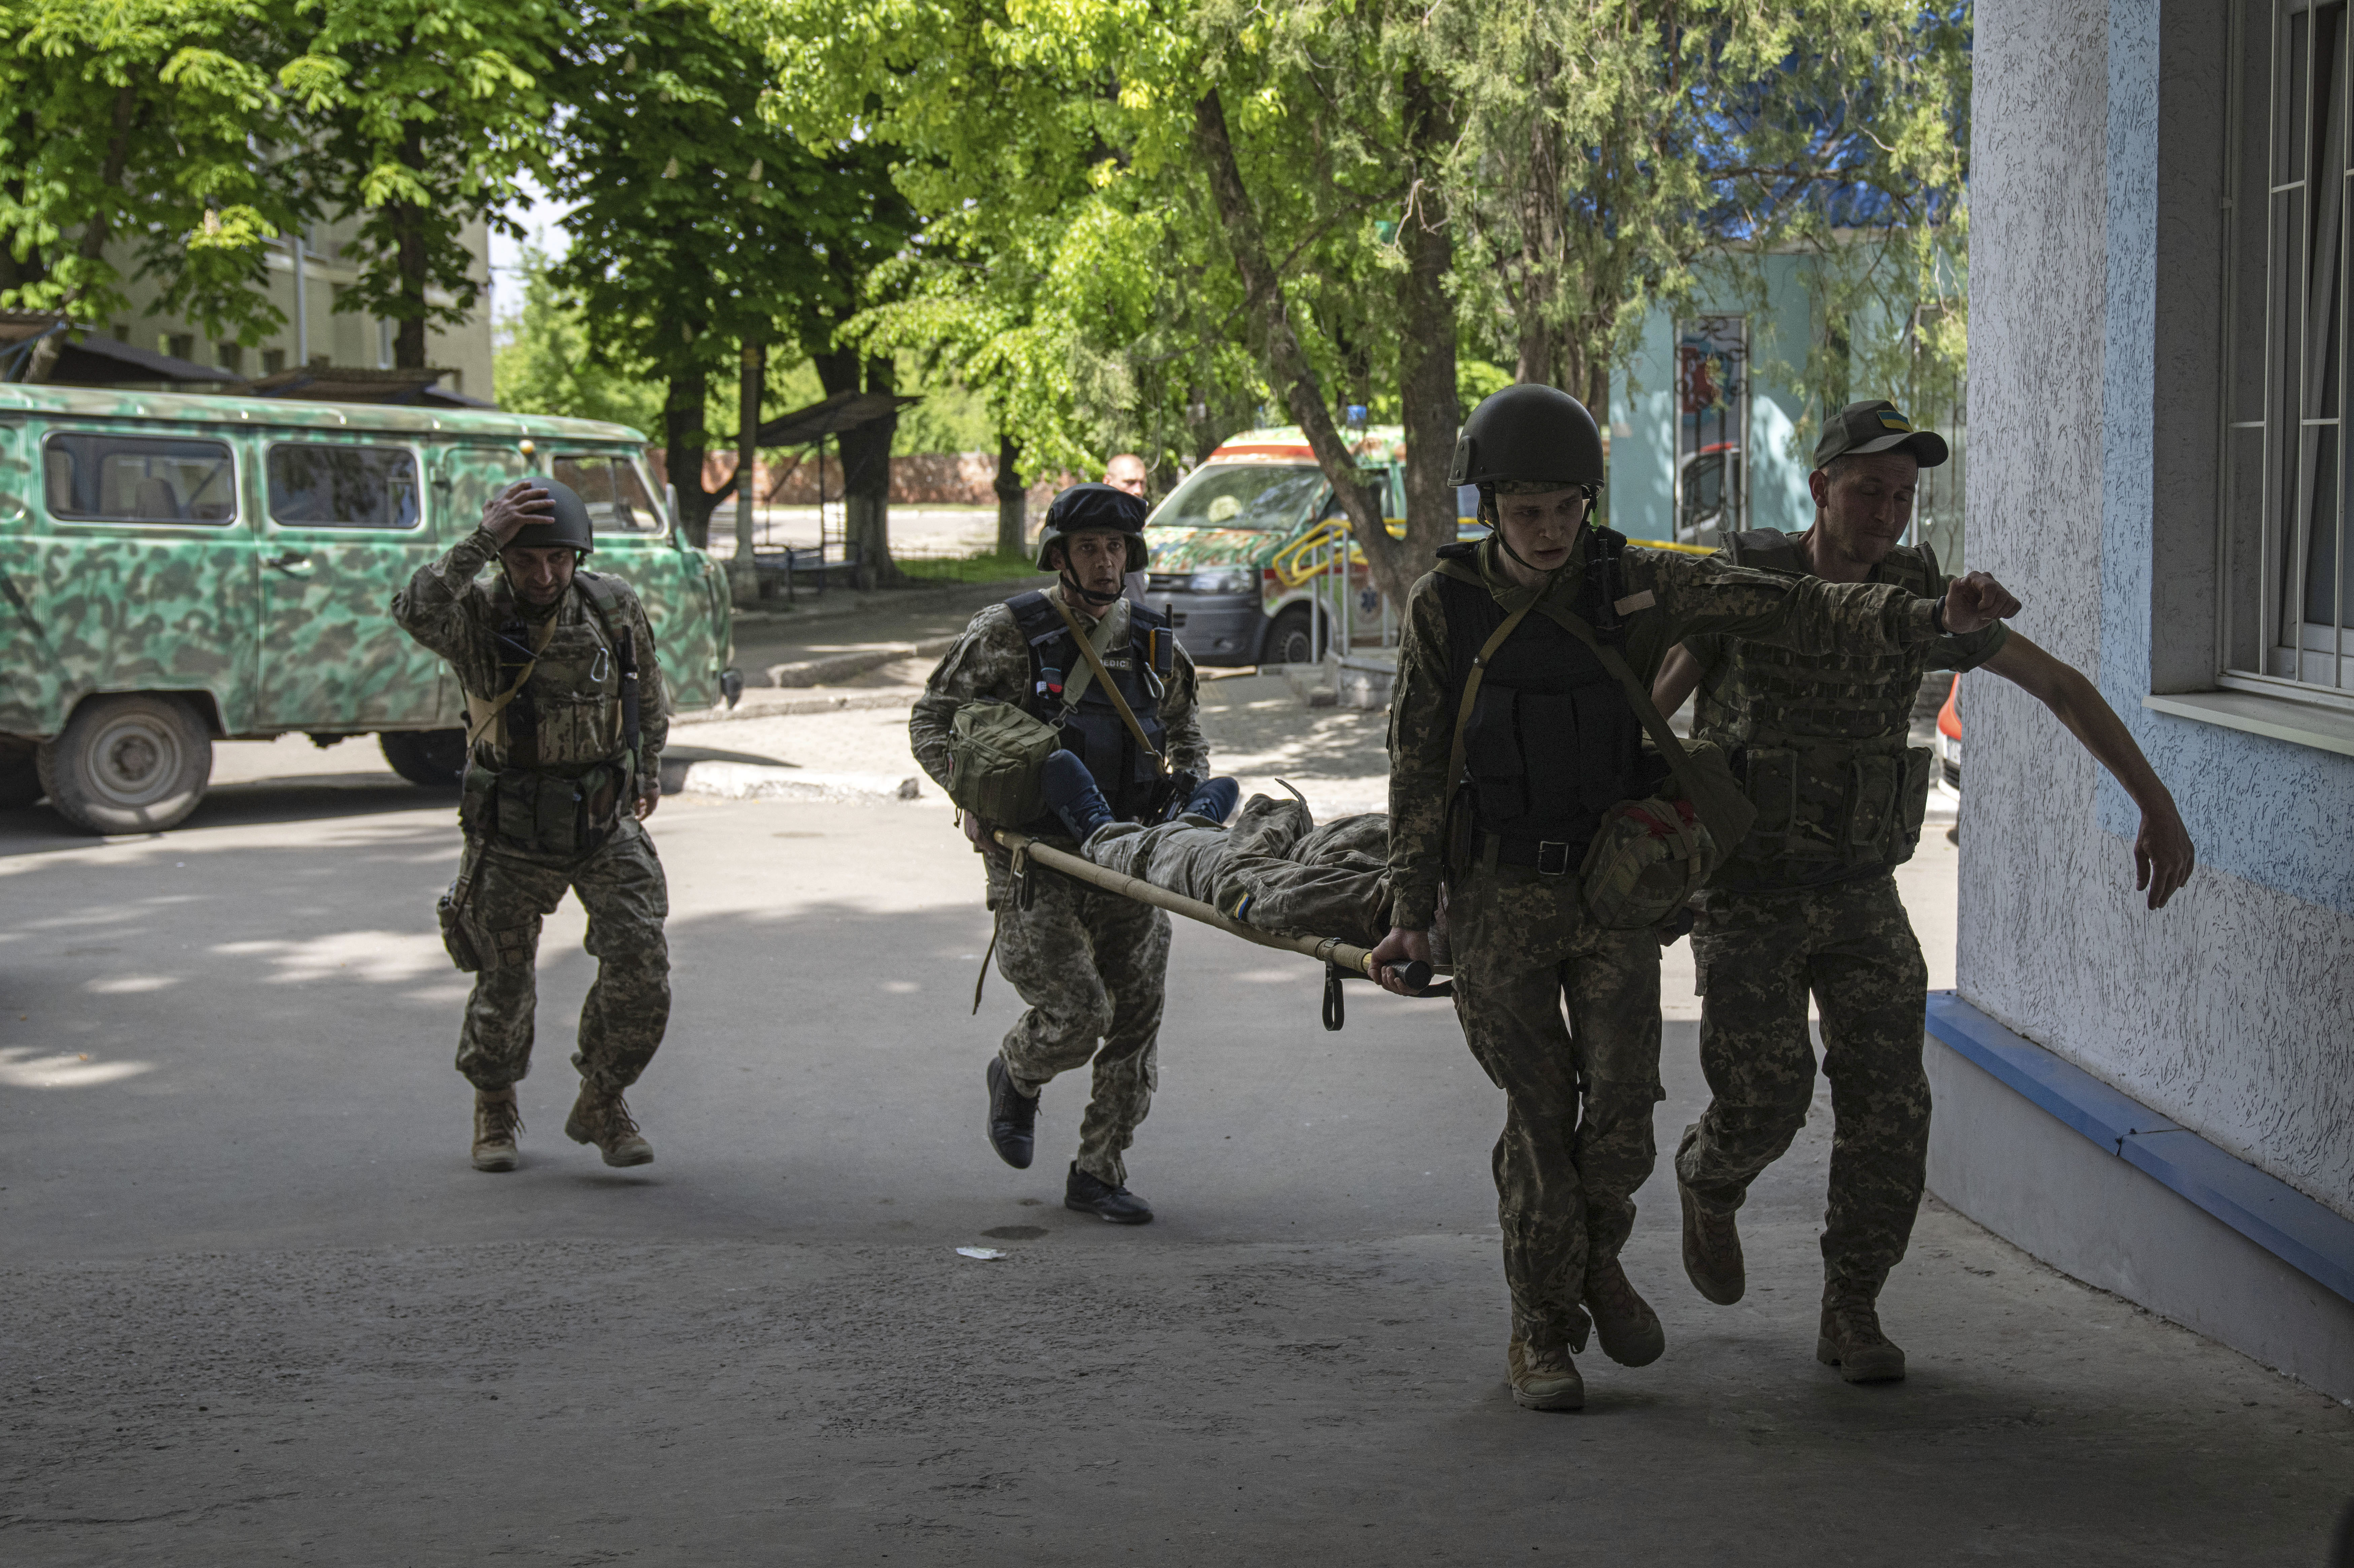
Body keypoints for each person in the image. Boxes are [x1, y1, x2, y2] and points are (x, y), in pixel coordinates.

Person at [1367, 383, 2020, 1412]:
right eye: (1523, 510)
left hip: (1610, 888)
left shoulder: (1630, 580)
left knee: (1623, 1116)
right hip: (1497, 892)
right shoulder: (1446, 605)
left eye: (1562, 509)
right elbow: (1412, 759)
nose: (1545, 532)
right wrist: (1412, 907)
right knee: (1539, 1118)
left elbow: (1787, 603)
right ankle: (1543, 1324)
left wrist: (1926, 614)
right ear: (1489, 508)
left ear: (1587, 500)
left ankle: (1593, 1258)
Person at [1648, 399, 2195, 1384]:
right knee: (1767, 1101)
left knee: (1890, 1108)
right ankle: (1707, 1175)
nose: (1885, 513)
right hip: (1748, 896)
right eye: (1866, 491)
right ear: (1819, 488)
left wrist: (2156, 803)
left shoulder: (1923, 596)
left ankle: (1850, 1306)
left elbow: (2059, 686)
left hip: (1859, 895)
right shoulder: (1753, 585)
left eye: (1902, 496)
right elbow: (1653, 707)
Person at [909, 483, 1211, 1224]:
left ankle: (1099, 1171)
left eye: (1116, 548)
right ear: (1060, 556)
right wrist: (972, 798)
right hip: (1038, 860)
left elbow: (1187, 733)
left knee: (1136, 1020)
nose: (1106, 563)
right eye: (1089, 549)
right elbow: (931, 720)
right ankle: (1016, 1072)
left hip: (1131, 861)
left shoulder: (1151, 638)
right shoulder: (1010, 632)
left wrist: (1190, 791)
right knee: (1079, 1015)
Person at [392, 477, 672, 1174]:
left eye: (558, 560)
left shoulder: (611, 606)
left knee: (641, 963)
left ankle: (602, 1099)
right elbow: (415, 609)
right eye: (525, 561)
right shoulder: (479, 615)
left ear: (578, 557)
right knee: (503, 979)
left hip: (602, 821)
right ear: (503, 562)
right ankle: (494, 1105)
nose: (544, 575)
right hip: (512, 831)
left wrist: (648, 767)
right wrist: (483, 539)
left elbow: (648, 691)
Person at [1040, 753, 1394, 948]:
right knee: (1216, 847)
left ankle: (1102, 833)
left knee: (1182, 858)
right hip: (1305, 849)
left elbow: (1242, 885)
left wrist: (1269, 821)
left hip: (1265, 863)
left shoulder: (1383, 903)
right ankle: (1195, 821)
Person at [1103, 453, 1152, 606]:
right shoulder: (1095, 526)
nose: (1138, 490)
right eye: (1129, 482)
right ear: (1108, 482)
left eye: (1142, 483)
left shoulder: (1134, 523)